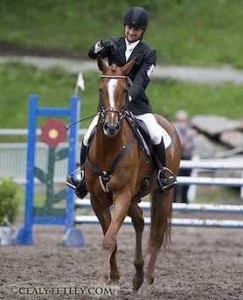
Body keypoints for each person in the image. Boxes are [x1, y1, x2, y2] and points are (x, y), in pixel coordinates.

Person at [66, 6, 177, 198]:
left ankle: (162, 173)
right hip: (110, 107)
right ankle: (82, 175)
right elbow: (92, 54)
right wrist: (99, 45)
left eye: (136, 30)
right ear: (124, 27)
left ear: (142, 31)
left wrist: (128, 97)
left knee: (156, 135)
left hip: (137, 105)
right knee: (87, 137)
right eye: (129, 28)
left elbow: (142, 80)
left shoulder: (149, 54)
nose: (132, 32)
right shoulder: (114, 45)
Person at [173, 110, 195, 203]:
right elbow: (179, 144)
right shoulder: (174, 129)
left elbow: (193, 146)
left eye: (184, 120)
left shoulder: (188, 130)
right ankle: (173, 202)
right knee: (175, 183)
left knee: (187, 182)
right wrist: (188, 137)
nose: (183, 123)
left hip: (187, 157)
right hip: (177, 158)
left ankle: (184, 202)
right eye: (181, 120)